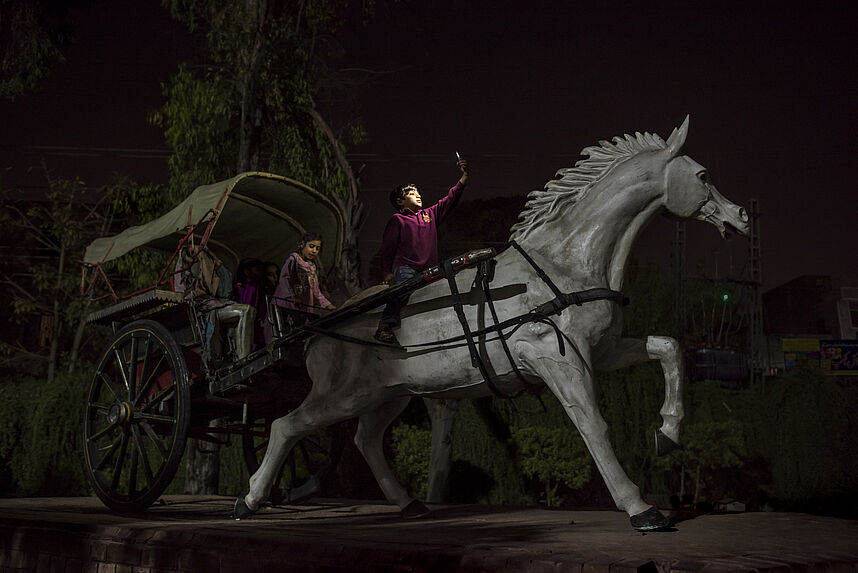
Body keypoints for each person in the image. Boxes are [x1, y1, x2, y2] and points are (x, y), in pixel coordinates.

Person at [375, 157, 469, 344]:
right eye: (412, 193)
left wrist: (464, 177)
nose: (418, 195)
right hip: (407, 268)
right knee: (403, 290)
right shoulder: (398, 220)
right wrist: (386, 272)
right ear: (400, 201)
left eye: (418, 192)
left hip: (431, 268)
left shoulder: (430, 215)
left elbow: (450, 199)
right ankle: (385, 325)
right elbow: (388, 248)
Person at [174, 244, 255, 363]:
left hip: (214, 305)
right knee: (246, 311)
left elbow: (224, 291)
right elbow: (184, 296)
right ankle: (243, 362)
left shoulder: (209, 268)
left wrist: (214, 261)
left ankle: (240, 356)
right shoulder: (185, 275)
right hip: (203, 311)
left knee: (248, 310)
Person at [274, 232, 336, 324]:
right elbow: (284, 278)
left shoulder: (312, 266)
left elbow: (315, 291)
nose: (314, 250)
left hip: (303, 306)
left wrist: (328, 305)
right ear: (303, 244)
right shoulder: (294, 259)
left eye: (317, 248)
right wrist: (291, 296)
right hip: (288, 304)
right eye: (311, 246)